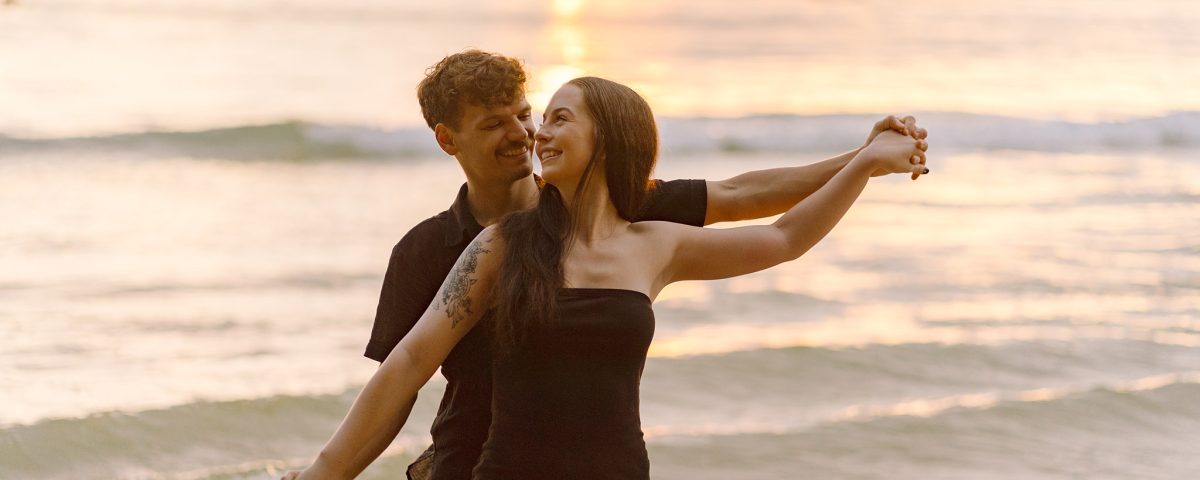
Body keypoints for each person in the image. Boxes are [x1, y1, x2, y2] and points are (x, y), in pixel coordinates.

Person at [287, 73, 927, 479]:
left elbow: (783, 233)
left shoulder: (655, 242)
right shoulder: (499, 247)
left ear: (610, 137)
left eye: (557, 117)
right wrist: (321, 473)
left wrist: (865, 161)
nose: (537, 133)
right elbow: (408, 364)